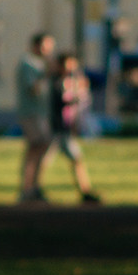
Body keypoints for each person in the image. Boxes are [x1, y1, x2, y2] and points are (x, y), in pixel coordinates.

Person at [36, 54, 101, 204]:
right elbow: (59, 103)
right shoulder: (55, 82)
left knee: (71, 159)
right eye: (68, 65)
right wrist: (77, 96)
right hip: (56, 129)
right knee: (66, 159)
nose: (71, 69)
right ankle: (34, 188)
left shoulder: (66, 81)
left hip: (62, 129)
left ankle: (84, 190)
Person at [16, 32, 56, 202]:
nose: (48, 50)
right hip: (31, 114)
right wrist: (46, 74)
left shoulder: (39, 64)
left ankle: (34, 187)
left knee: (42, 148)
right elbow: (34, 89)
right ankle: (28, 188)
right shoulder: (28, 64)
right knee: (37, 146)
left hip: (41, 114)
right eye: (45, 46)